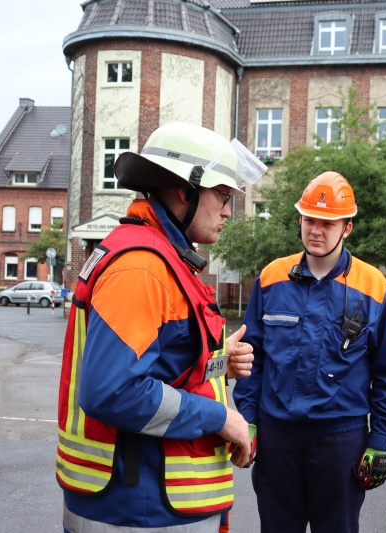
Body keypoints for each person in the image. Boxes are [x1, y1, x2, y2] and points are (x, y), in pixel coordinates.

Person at [55, 122, 267, 533]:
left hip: (150, 501)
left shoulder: (161, 256)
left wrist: (219, 361)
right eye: (223, 196)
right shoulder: (142, 267)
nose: (228, 211)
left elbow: (163, 364)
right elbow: (114, 391)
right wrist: (223, 419)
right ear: (185, 190)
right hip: (140, 506)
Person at [232, 171, 386, 533]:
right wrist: (247, 419)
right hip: (277, 438)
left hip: (340, 441)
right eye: (310, 220)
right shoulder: (272, 278)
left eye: (328, 223)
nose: (316, 230)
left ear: (347, 228)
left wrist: (378, 441)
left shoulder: (372, 287)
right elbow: (251, 357)